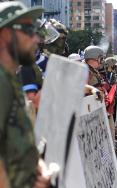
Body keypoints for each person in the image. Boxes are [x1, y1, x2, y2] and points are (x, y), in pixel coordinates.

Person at [0, 1, 51, 188]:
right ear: (5, 34)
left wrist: (39, 169)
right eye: (28, 30)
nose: (36, 39)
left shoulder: (10, 80)